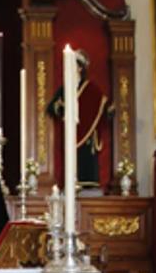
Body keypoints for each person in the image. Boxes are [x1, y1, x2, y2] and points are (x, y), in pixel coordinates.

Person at [46, 50, 110, 192]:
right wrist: (61, 108)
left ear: (80, 68)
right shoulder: (65, 89)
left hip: (86, 136)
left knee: (86, 161)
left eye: (73, 65)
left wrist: (108, 110)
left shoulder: (91, 88)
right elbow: (52, 108)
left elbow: (103, 106)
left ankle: (87, 184)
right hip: (70, 133)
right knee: (70, 161)